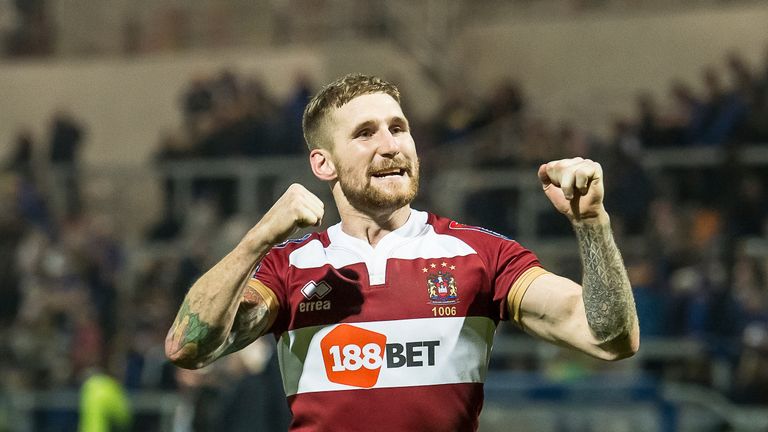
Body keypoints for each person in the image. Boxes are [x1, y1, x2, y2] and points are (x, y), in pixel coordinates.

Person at [165, 74, 640, 431]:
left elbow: (610, 339)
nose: (390, 145)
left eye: (399, 128)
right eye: (365, 133)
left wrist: (592, 225)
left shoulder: (480, 255)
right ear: (322, 163)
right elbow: (187, 347)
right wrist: (258, 239)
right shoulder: (288, 268)